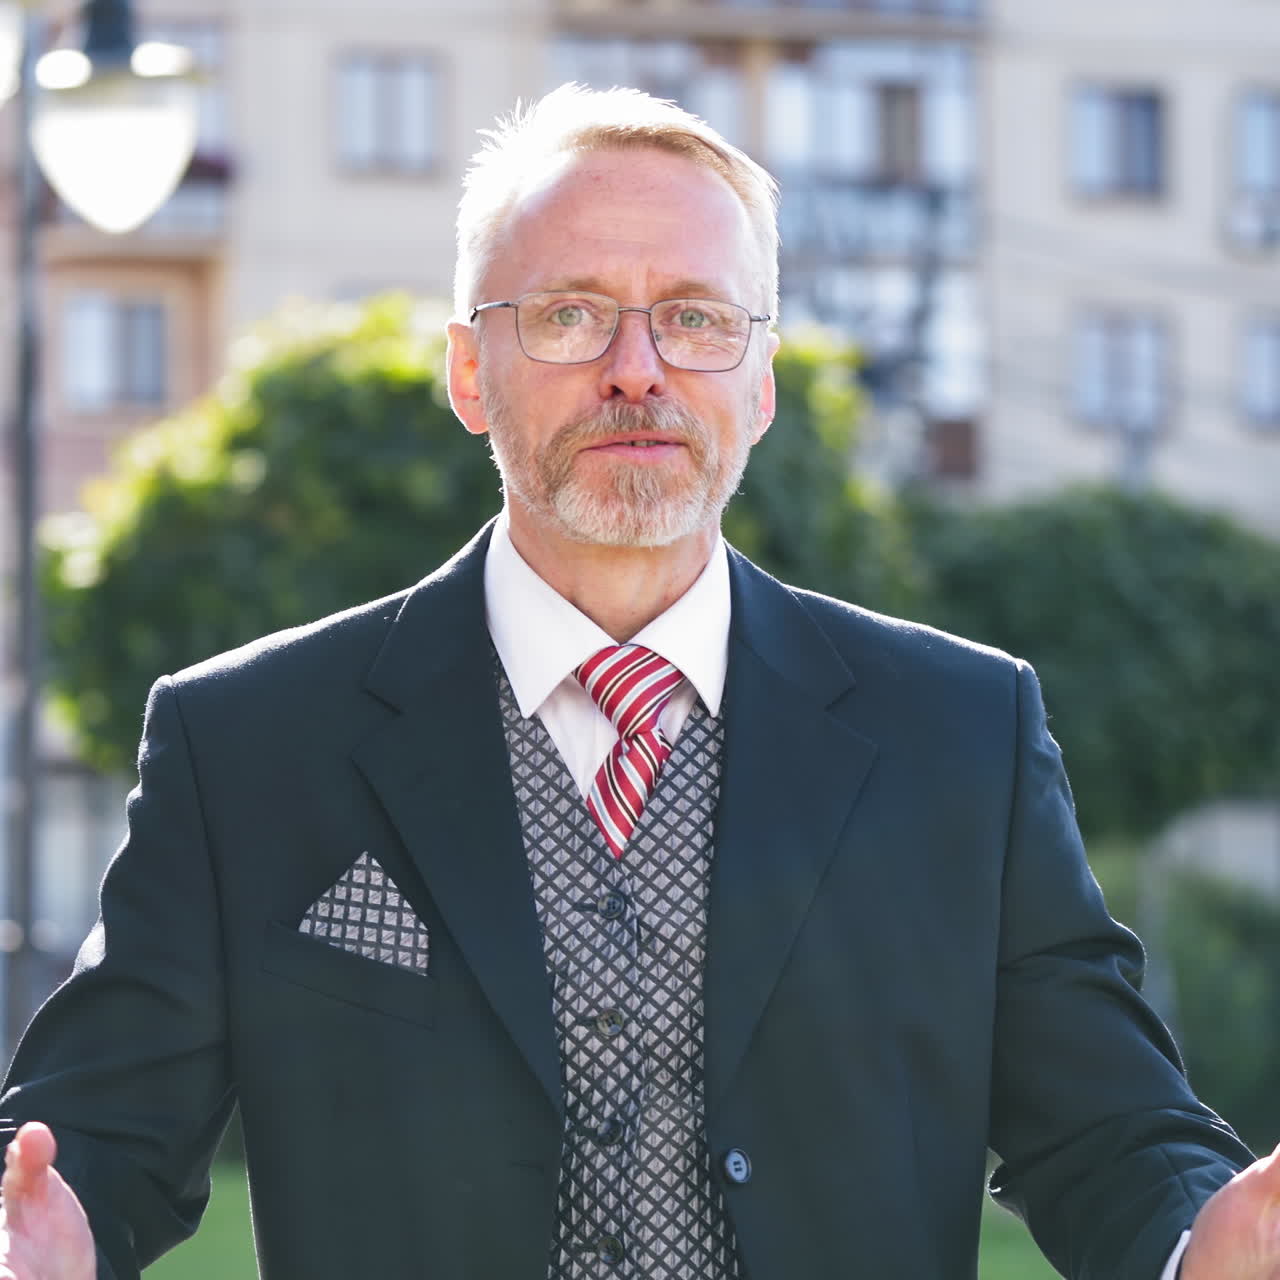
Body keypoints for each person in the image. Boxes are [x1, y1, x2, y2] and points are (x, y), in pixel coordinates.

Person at [0, 83, 1276, 1280]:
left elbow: (1109, 1125)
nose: (636, 367)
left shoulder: (961, 730)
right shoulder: (248, 744)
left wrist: (1199, 1238)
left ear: (761, 381)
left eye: (696, 316)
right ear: (465, 370)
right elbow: (102, 1128)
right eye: (567, 313)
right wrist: (52, 1229)